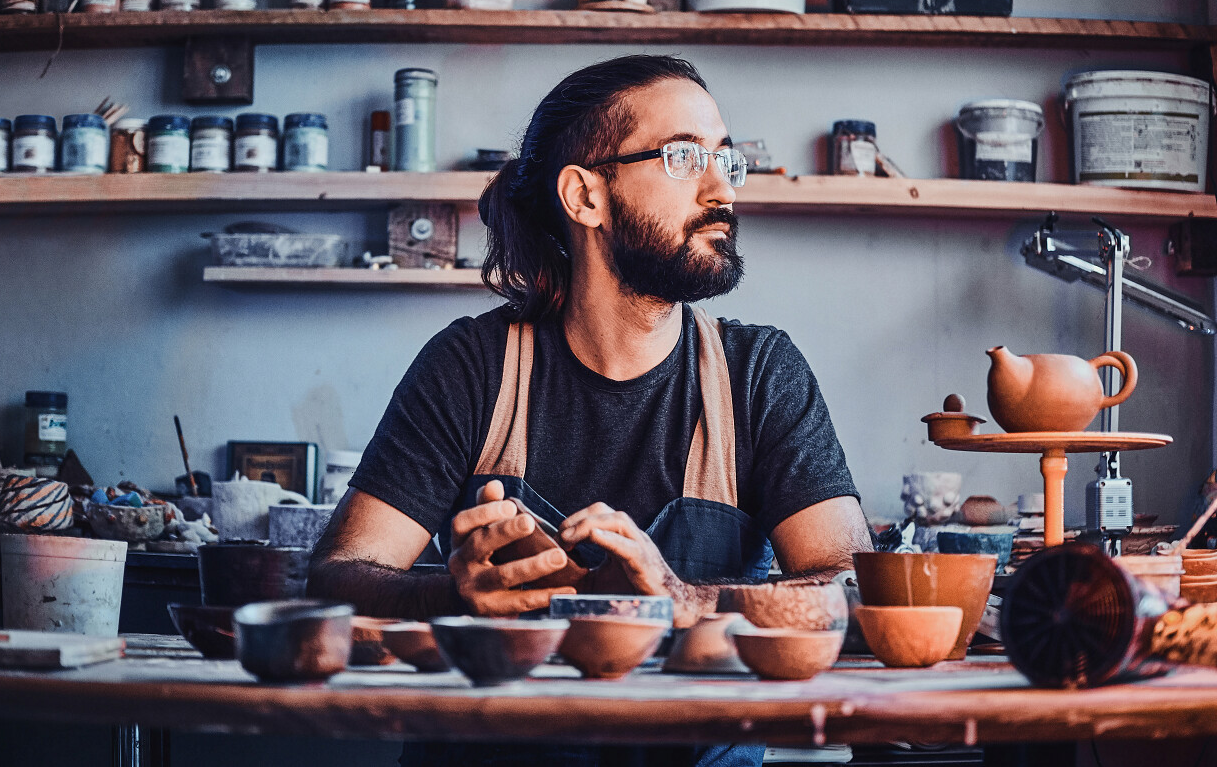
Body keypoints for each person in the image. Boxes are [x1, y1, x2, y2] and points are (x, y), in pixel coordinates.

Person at [308, 55, 872, 767]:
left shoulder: (759, 374)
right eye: (683, 156)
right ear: (584, 196)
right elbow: (334, 575)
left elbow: (854, 589)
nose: (721, 185)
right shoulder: (472, 367)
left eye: (726, 159)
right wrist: (454, 595)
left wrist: (681, 596)